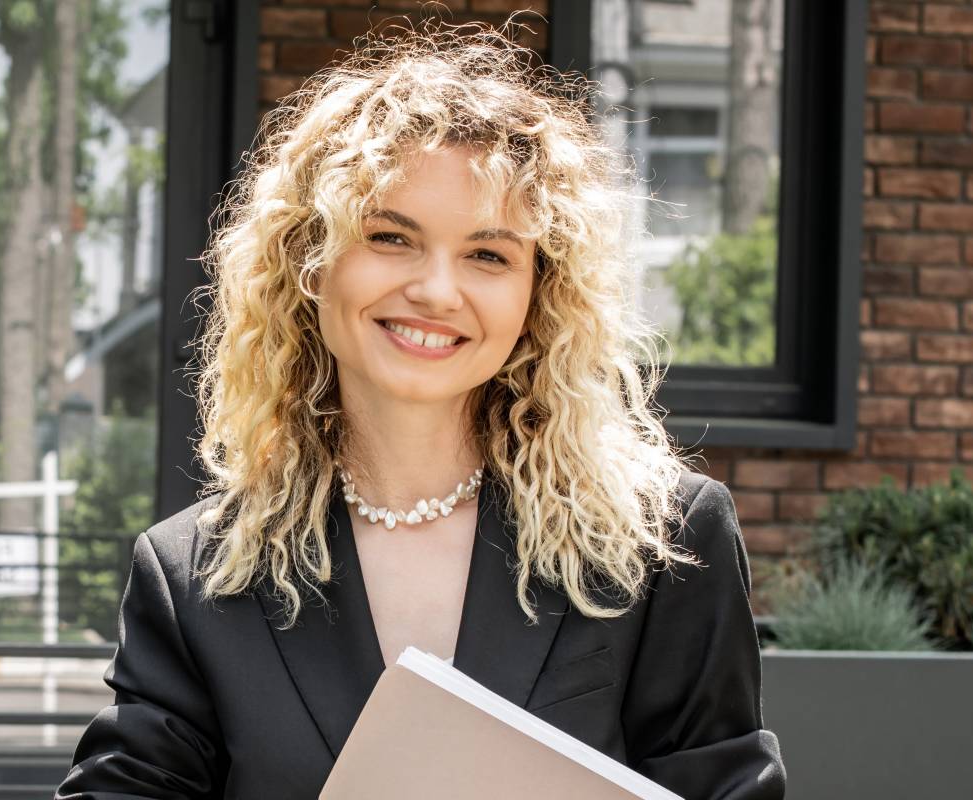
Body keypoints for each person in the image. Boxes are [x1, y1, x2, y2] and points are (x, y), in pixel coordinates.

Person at [57, 19, 785, 799]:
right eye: (391, 237)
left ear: (539, 294)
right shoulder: (196, 576)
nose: (438, 291)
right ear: (309, 263)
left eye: (488, 254)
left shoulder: (663, 545)